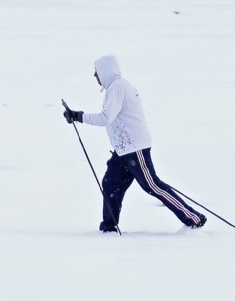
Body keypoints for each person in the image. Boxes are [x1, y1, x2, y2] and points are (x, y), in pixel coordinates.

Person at [64, 54, 206, 233]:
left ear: (105, 71)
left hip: (134, 148)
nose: (94, 76)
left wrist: (78, 116)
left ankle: (194, 218)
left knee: (152, 186)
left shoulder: (118, 87)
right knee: (110, 184)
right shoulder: (115, 88)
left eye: (97, 71)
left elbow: (106, 118)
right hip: (123, 150)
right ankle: (108, 227)